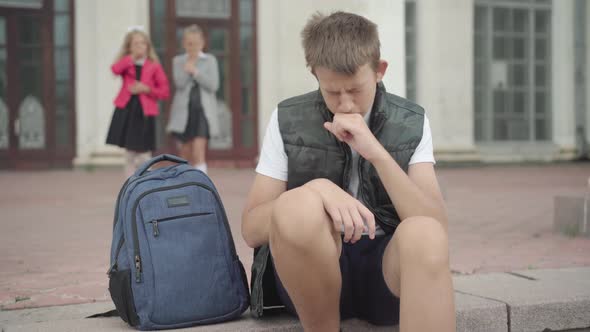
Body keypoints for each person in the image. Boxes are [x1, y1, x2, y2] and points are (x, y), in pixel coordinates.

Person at [242, 12, 455, 332]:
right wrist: (316, 190)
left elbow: (434, 224)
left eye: (355, 90)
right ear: (315, 74)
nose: (344, 104)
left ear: (379, 71)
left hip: (386, 275)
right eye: (331, 91)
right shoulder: (287, 119)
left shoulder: (410, 121)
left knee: (425, 234)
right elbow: (251, 228)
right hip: (309, 280)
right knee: (296, 207)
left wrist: (376, 153)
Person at [106, 27, 170, 177]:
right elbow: (114, 70)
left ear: (148, 46)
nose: (140, 46)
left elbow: (164, 92)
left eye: (143, 43)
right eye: (136, 44)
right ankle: (130, 185)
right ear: (129, 46)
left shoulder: (154, 66)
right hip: (127, 110)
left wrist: (146, 89)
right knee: (129, 153)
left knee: (143, 153)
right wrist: (131, 58)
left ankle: (146, 183)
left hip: (145, 112)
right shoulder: (126, 63)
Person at [167, 24, 220, 174]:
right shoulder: (178, 61)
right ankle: (184, 182)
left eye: (196, 43)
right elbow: (180, 83)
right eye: (189, 43)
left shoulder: (210, 60)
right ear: (184, 43)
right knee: (185, 152)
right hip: (184, 112)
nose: (193, 47)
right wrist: (187, 69)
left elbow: (214, 85)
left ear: (202, 43)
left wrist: (196, 72)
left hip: (203, 112)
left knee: (199, 150)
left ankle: (201, 184)